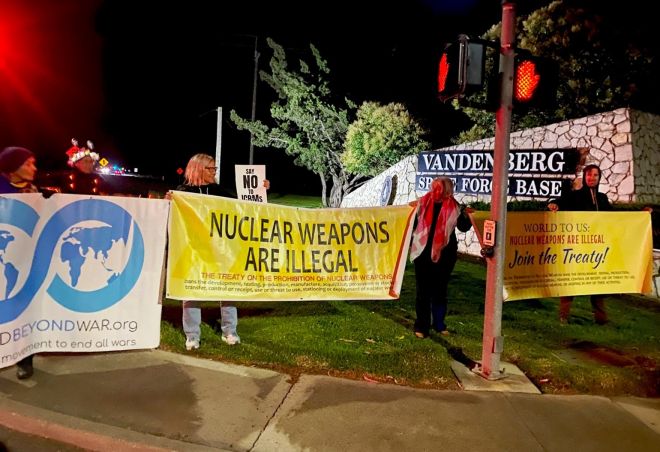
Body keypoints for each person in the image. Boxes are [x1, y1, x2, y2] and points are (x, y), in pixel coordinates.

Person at [172, 153, 269, 350]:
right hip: (194, 251)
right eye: (211, 168)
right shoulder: (181, 193)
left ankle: (230, 332)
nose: (215, 172)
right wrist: (169, 202)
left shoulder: (220, 191)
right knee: (191, 291)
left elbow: (245, 207)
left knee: (227, 288)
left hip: (221, 250)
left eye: (215, 168)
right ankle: (192, 336)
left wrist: (261, 190)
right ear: (198, 168)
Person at [409, 176, 472, 338]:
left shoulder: (455, 206)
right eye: (434, 186)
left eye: (439, 187)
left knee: (440, 290)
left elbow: (464, 227)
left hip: (445, 254)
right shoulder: (422, 203)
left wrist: (468, 215)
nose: (436, 190)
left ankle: (439, 324)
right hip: (422, 253)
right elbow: (411, 223)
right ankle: (421, 327)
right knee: (423, 291)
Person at [547, 164, 611, 325]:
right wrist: (553, 204)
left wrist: (641, 214)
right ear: (584, 177)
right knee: (571, 281)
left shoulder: (602, 198)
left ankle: (601, 319)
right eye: (589, 175)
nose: (592, 178)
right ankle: (564, 316)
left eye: (595, 175)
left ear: (599, 178)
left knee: (597, 283)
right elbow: (558, 202)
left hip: (597, 249)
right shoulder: (575, 196)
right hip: (578, 248)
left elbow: (616, 217)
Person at [0, 146, 39, 379]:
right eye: (28, 163)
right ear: (12, 168)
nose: (33, 168)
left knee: (25, 312)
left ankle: (25, 360)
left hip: (24, 264)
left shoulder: (36, 193)